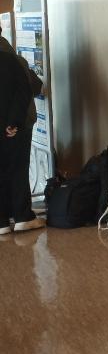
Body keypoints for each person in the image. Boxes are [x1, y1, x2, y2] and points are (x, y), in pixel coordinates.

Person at [0, 26, 44, 235]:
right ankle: (22, 217)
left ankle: (2, 222)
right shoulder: (10, 57)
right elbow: (29, 87)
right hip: (16, 125)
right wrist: (14, 122)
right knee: (18, 168)